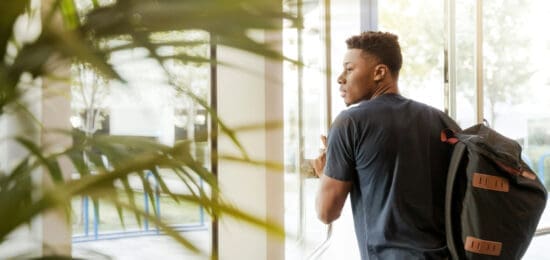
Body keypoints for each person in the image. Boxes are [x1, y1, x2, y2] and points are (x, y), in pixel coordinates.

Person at [312, 31, 459, 259]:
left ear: (380, 72)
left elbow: (326, 212)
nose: (340, 78)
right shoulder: (441, 121)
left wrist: (324, 174)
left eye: (349, 69)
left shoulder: (349, 122)